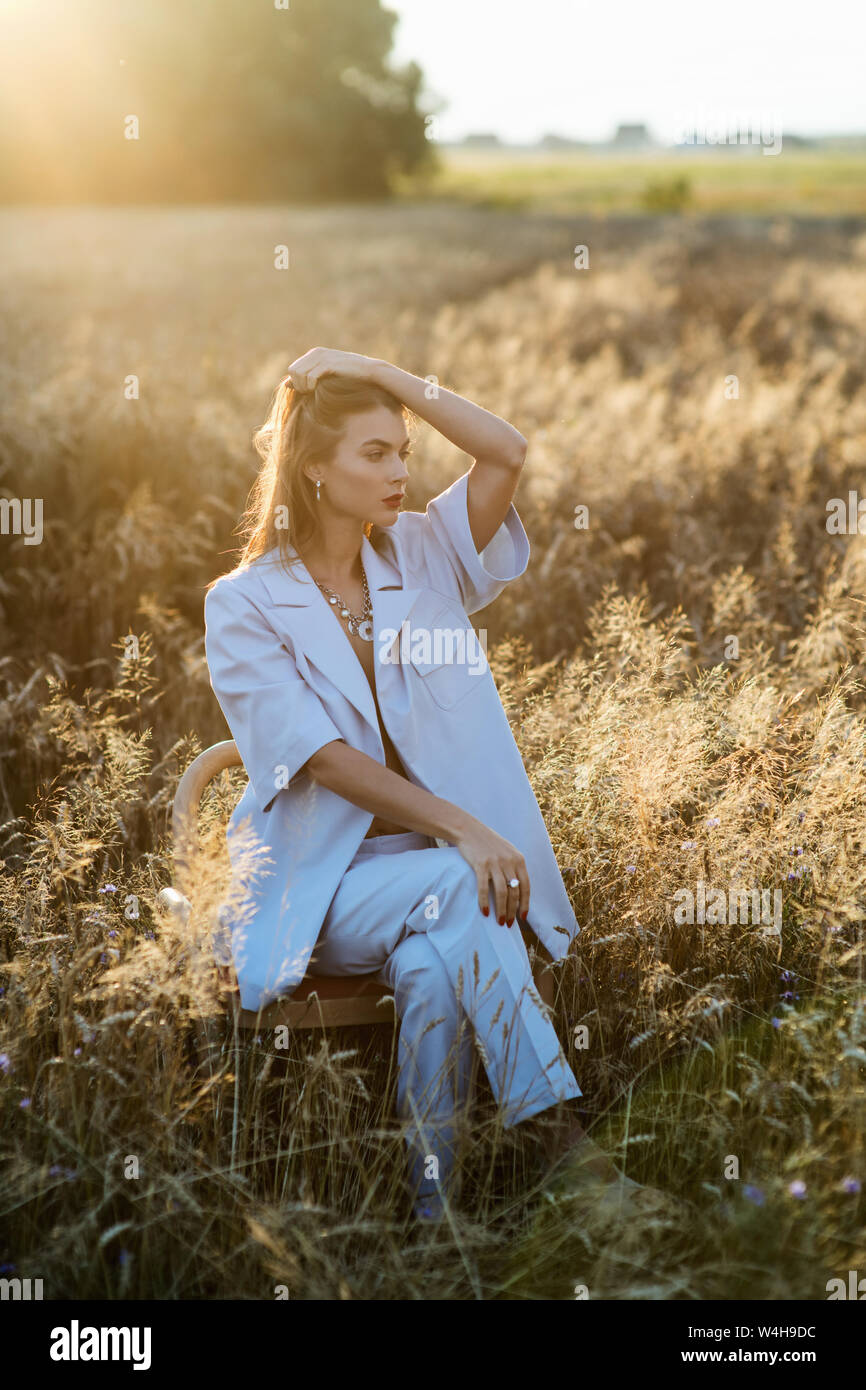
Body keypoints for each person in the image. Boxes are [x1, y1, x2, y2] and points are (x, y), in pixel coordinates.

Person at [204, 347, 628, 1221]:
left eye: (403, 449)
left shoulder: (426, 554)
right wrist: (465, 829)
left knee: (438, 970)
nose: (400, 470)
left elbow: (505, 452)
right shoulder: (242, 604)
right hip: (319, 890)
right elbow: (323, 757)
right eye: (374, 454)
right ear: (314, 469)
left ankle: (434, 1224)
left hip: (434, 888)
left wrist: (381, 375)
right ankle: (571, 1157)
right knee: (454, 883)